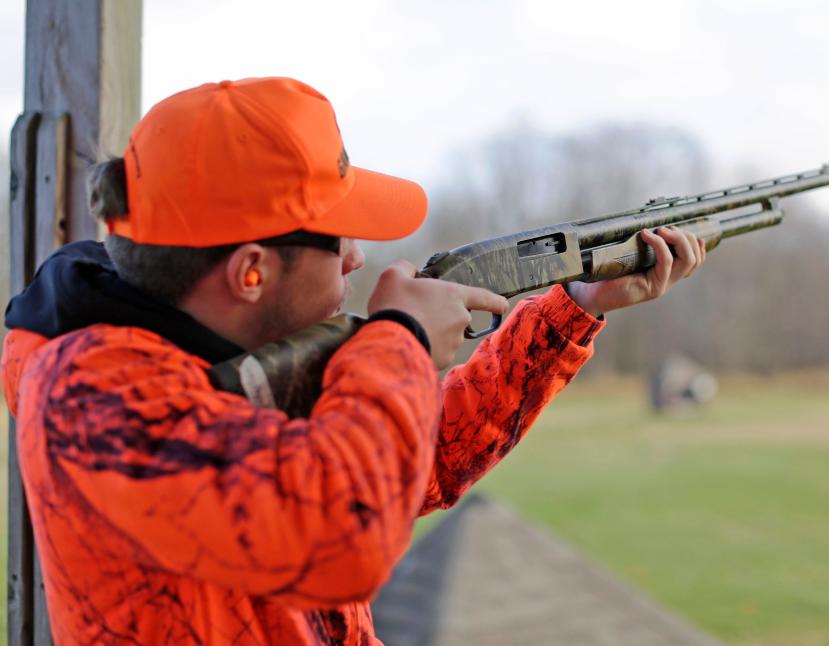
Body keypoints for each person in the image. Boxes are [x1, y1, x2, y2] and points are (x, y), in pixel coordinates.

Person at [2, 77, 705, 645]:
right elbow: (346, 533)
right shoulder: (91, 396)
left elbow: (402, 462)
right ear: (251, 272)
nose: (357, 256)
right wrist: (397, 339)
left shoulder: (210, 355)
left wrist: (574, 307)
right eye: (337, 237)